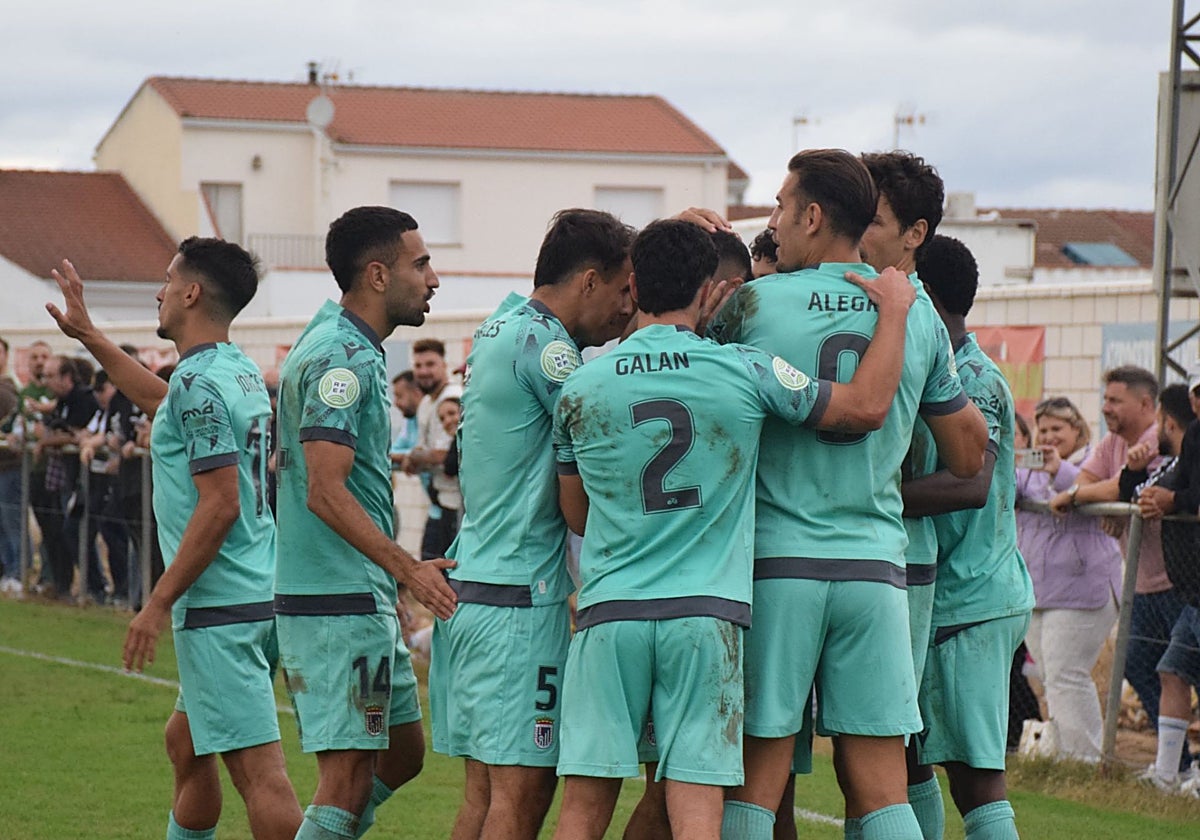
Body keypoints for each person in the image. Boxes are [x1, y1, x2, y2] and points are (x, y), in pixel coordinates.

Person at [549, 218, 915, 840]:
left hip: (611, 614)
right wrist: (898, 313)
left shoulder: (581, 385)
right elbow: (864, 408)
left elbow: (577, 514)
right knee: (696, 810)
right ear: (709, 289)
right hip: (706, 616)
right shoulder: (745, 369)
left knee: (584, 809)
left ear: (632, 285)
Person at [708, 150, 987, 840]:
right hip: (874, 570)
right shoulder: (913, 310)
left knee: (756, 780)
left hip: (778, 567)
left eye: (779, 207)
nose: (772, 223)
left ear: (811, 215)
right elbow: (965, 453)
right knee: (882, 788)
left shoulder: (751, 303)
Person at [46, 240, 304, 840]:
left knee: (262, 779)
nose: (159, 292)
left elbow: (219, 504)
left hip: (221, 608)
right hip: (258, 593)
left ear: (192, 293)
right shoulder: (229, 368)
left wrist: (156, 604)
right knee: (184, 743)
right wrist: (88, 334)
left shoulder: (198, 382)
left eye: (167, 280)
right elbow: (160, 400)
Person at [430, 208, 636, 840]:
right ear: (591, 280)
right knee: (518, 799)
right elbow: (608, 423)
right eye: (627, 289)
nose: (630, 308)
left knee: (487, 796)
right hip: (519, 604)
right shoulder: (546, 349)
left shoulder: (501, 326)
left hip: (482, 588)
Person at [274, 205, 457, 840]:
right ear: (378, 276)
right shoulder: (342, 357)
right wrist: (409, 570)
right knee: (347, 777)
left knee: (403, 752)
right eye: (422, 263)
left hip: (358, 593)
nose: (433, 279)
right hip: (334, 598)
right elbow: (325, 491)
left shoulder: (352, 348)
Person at [903, 234, 1035, 840]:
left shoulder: (974, 378)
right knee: (905, 759)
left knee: (976, 777)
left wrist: (874, 501)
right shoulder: (937, 365)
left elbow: (971, 485)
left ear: (925, 294)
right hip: (943, 597)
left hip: (973, 600)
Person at [859, 148, 952, 838]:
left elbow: (973, 469)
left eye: (876, 218)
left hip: (892, 560)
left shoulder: (917, 320)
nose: (860, 229)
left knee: (891, 755)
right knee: (879, 759)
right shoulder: (911, 317)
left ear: (915, 234)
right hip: (879, 558)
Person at [1049, 367, 1183, 738]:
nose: (1106, 408)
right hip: (1140, 584)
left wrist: (1089, 497)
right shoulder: (1113, 442)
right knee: (1139, 665)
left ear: (1144, 403)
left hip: (1178, 584)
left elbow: (1128, 492)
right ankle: (1177, 762)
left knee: (1183, 671)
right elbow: (1087, 482)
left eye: (1114, 400)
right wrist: (1106, 499)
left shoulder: (1162, 438)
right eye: (1105, 399)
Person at [1014, 396, 1121, 763]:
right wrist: (1008, 463)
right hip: (1038, 590)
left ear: (1077, 429)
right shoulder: (1028, 467)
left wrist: (1059, 471)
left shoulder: (1092, 462)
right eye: (1042, 429)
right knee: (1050, 676)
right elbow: (1006, 490)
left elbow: (1103, 490)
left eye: (1057, 429)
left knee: (1066, 674)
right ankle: (1066, 758)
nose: (1048, 437)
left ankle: (1086, 761)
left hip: (1083, 590)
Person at [1121, 383, 1200, 793]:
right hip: (1192, 590)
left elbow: (1184, 498)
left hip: (1183, 588)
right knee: (1171, 670)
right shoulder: (1190, 445)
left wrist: (1172, 502)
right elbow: (1150, 494)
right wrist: (1142, 478)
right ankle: (1171, 773)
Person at [40, 355, 100, 600]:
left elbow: (77, 435)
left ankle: (96, 587)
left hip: (88, 478)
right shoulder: (61, 402)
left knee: (78, 530)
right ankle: (87, 585)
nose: (46, 381)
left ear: (67, 377)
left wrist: (47, 441)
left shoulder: (83, 399)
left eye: (50, 376)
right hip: (70, 476)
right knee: (71, 531)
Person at [403, 338, 463, 561]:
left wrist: (414, 457)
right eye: (418, 366)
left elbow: (442, 454)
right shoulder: (427, 403)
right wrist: (416, 456)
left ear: (444, 365)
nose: (424, 371)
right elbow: (422, 448)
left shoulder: (453, 398)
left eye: (430, 364)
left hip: (461, 504)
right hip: (440, 501)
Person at [0, 336, 22, 594]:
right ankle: (8, 570)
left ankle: (17, 572)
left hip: (10, 467)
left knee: (12, 520)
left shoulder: (9, 389)